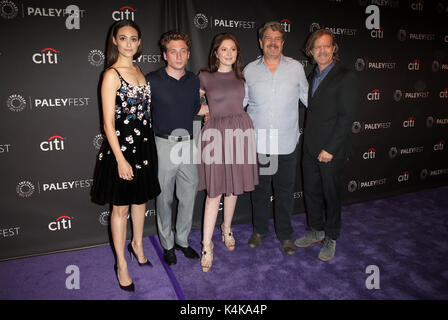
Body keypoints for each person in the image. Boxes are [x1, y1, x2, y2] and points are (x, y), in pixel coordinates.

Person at [91, 20, 161, 291]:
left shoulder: (139, 71)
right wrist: (120, 159)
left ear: (139, 42)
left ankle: (137, 245)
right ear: (115, 41)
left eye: (134, 38)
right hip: (121, 150)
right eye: (123, 38)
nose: (129, 43)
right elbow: (108, 124)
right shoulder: (111, 75)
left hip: (143, 147)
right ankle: (121, 262)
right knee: (120, 209)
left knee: (140, 201)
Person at [243, 21, 308, 255]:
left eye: (277, 38)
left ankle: (286, 235)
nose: (273, 42)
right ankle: (259, 230)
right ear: (261, 42)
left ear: (283, 42)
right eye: (268, 38)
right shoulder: (249, 70)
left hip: (287, 143)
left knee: (284, 193)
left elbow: (309, 99)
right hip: (259, 143)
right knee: (259, 192)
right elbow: (238, 104)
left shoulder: (296, 69)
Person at [294, 29, 357, 261]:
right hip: (310, 146)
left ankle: (331, 235)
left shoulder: (345, 76)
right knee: (311, 192)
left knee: (330, 194)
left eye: (326, 46)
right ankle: (316, 230)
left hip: (332, 149)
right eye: (317, 47)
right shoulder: (310, 77)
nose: (322, 51)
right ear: (311, 51)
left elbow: (346, 117)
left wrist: (330, 148)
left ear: (334, 48)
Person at [198, 33, 258, 272]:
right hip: (215, 135)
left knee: (233, 188)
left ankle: (226, 229)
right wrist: (207, 110)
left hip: (240, 132)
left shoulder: (242, 77)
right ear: (216, 52)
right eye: (224, 49)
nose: (229, 53)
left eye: (233, 49)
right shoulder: (204, 76)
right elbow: (189, 101)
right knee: (214, 192)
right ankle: (206, 244)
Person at [147, 31, 209, 266]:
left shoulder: (194, 80)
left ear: (188, 53)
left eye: (183, 50)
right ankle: (168, 244)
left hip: (189, 145)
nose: (179, 55)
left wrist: (217, 110)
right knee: (163, 199)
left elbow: (195, 108)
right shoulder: (151, 80)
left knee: (188, 197)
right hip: (163, 145)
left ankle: (182, 240)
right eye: (173, 51)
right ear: (165, 55)